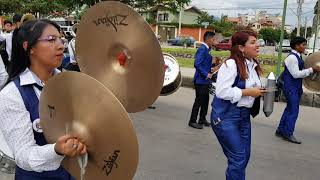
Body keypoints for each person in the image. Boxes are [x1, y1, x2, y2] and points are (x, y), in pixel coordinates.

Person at [0, 19, 86, 179]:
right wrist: (56, 150)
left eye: (61, 39)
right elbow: (23, 155)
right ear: (29, 47)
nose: (61, 45)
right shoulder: (11, 95)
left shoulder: (70, 82)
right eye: (51, 40)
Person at [210, 30, 266, 180]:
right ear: (241, 47)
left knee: (244, 157)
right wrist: (248, 92)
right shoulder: (231, 64)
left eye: (257, 42)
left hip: (244, 117)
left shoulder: (252, 65)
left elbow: (252, 88)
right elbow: (222, 92)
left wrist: (261, 91)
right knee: (238, 158)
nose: (257, 46)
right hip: (227, 117)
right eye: (253, 43)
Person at [275, 36, 320, 144]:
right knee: (293, 111)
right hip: (291, 87)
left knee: (289, 109)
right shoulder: (292, 58)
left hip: (295, 87)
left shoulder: (297, 56)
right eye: (303, 45)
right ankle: (288, 133)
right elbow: (295, 74)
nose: (305, 47)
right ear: (296, 46)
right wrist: (311, 69)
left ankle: (281, 130)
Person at [189, 31, 216, 129]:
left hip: (205, 81)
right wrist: (206, 74)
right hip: (200, 80)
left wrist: (212, 68)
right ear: (208, 39)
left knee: (205, 101)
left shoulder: (207, 49)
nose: (214, 41)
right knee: (199, 101)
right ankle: (192, 121)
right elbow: (197, 64)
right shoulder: (202, 49)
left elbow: (204, 64)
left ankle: (202, 119)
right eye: (213, 39)